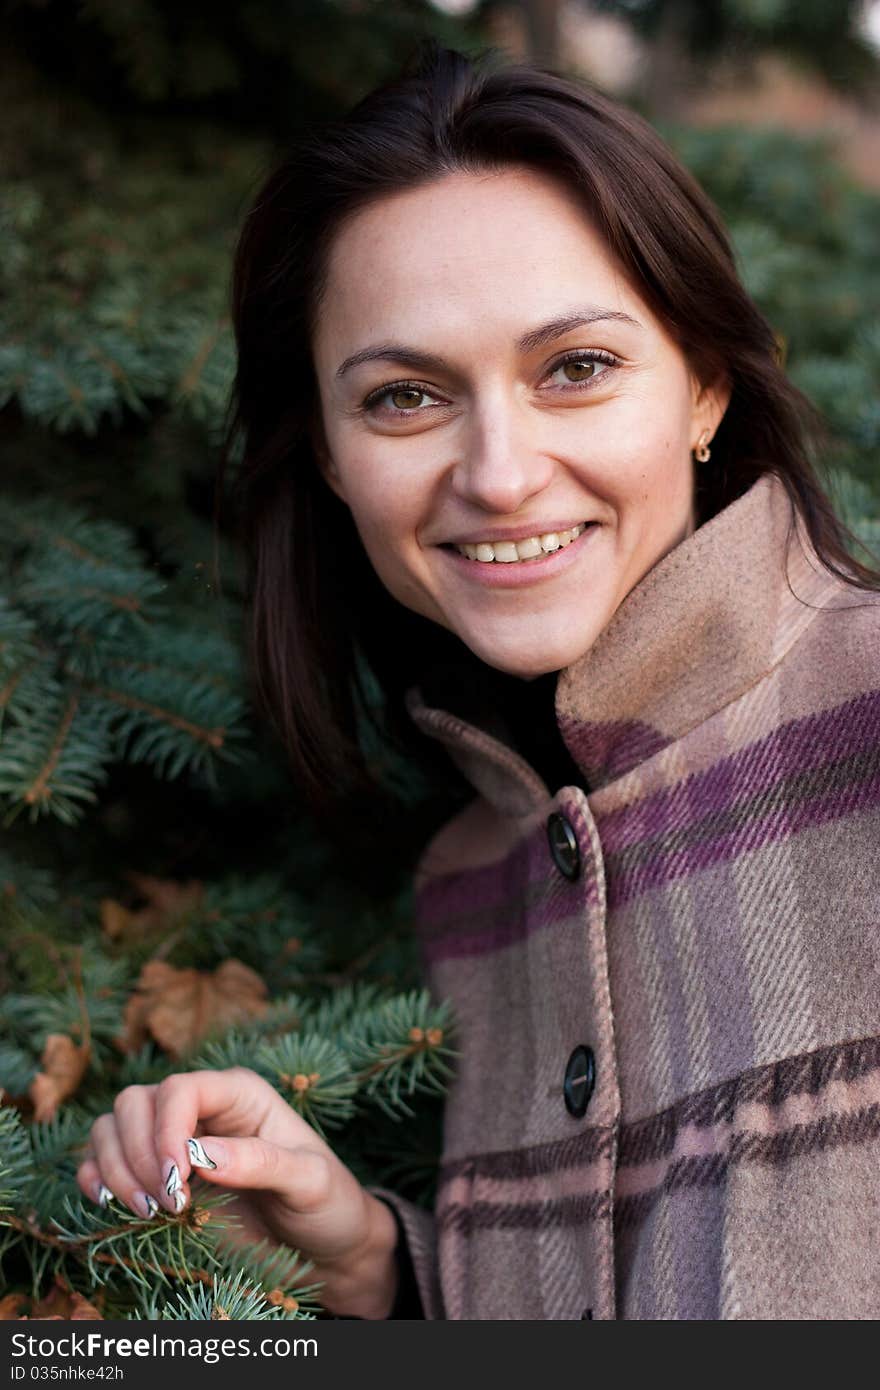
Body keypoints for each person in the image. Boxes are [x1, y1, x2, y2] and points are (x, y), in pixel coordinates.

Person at [77, 40, 880, 1319]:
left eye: (576, 368)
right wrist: (376, 1267)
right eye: (403, 397)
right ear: (333, 461)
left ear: (705, 385)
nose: (499, 473)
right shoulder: (472, 873)